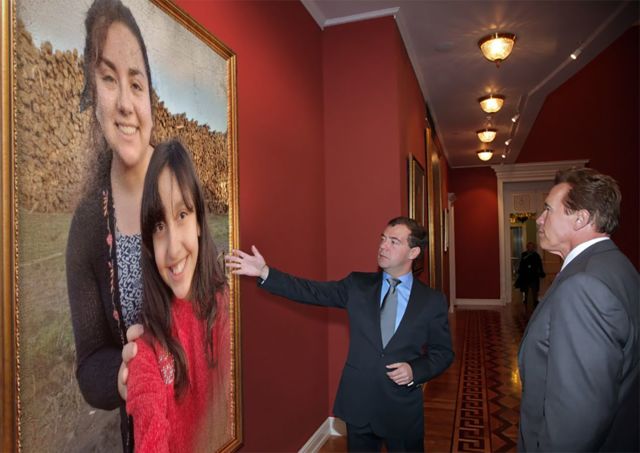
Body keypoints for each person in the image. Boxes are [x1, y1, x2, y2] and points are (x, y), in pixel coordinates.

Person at [226, 217, 454, 452]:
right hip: (359, 404)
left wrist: (415, 370)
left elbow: (443, 353)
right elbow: (311, 291)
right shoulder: (357, 285)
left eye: (394, 242)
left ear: (413, 252)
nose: (383, 246)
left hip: (401, 409)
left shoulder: (431, 301)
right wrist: (265, 272)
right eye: (383, 239)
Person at [66, 0, 153, 450]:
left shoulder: (181, 186)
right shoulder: (87, 224)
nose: (124, 103)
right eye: (107, 78)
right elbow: (89, 364)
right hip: (143, 430)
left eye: (135, 83)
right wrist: (124, 374)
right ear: (91, 94)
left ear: (150, 96)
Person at [518, 168, 639, 452]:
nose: (539, 219)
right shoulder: (617, 265)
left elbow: (575, 419)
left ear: (581, 218)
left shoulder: (584, 285)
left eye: (548, 210)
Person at [125, 139, 230, 452]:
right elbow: (148, 415)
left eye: (182, 214)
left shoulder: (226, 307)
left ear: (198, 222)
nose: (172, 248)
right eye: (159, 225)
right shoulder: (146, 346)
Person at [514, 241, 545, 308]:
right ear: (527, 247)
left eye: (532, 247)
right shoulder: (523, 254)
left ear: (534, 248)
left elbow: (540, 265)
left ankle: (535, 303)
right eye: (529, 247)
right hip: (525, 276)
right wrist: (519, 271)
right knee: (525, 290)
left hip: (534, 276)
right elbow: (521, 264)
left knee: (535, 290)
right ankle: (525, 303)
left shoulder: (536, 255)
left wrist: (542, 272)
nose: (530, 248)